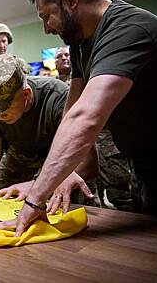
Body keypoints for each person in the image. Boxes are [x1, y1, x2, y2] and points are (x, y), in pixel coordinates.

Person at [0, 0, 157, 236]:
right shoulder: (81, 44)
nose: (46, 28)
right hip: (143, 166)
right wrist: (46, 180)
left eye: (47, 16)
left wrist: (36, 198)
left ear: (70, 0)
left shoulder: (127, 29)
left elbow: (86, 118)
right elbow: (72, 112)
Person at [0, 54, 95, 203]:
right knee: (1, 198)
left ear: (26, 94)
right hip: (19, 155)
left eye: (4, 109)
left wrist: (36, 186)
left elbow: (88, 162)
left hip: (59, 159)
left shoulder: (58, 98)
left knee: (68, 205)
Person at [55, 45, 131, 210]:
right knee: (90, 190)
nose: (63, 58)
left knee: (120, 192)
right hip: (81, 142)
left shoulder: (93, 74)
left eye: (66, 55)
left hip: (107, 138)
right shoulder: (56, 86)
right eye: (58, 56)